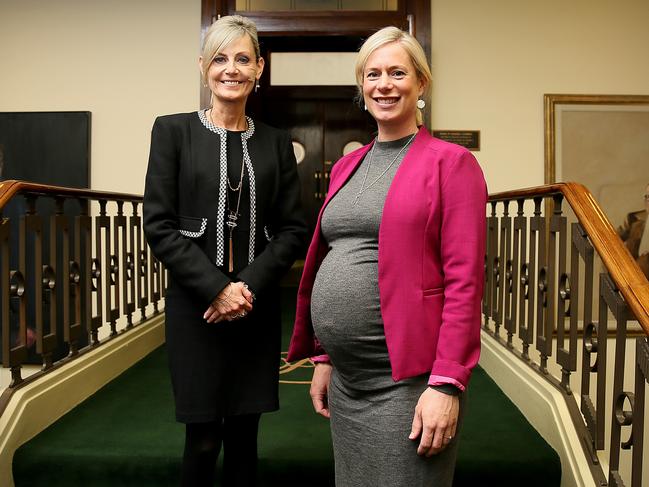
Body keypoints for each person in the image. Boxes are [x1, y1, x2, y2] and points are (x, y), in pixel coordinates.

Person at [287, 26, 487, 487]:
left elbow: (465, 282)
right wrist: (323, 358)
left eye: (398, 72)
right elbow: (332, 254)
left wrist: (446, 384)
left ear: (421, 83)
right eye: (373, 74)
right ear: (362, 87)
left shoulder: (451, 164)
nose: (384, 84)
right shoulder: (347, 165)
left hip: (408, 382)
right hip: (348, 381)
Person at [143, 15, 306, 487]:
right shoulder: (172, 132)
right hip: (196, 308)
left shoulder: (276, 142)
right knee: (202, 438)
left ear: (259, 67)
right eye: (219, 58)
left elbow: (293, 229)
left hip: (253, 310)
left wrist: (243, 289)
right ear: (202, 67)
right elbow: (159, 224)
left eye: (241, 58)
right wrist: (216, 290)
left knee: (243, 436)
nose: (230, 69)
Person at [617, 182, 649, 279]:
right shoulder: (634, 218)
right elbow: (613, 238)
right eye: (646, 196)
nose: (648, 200)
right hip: (631, 281)